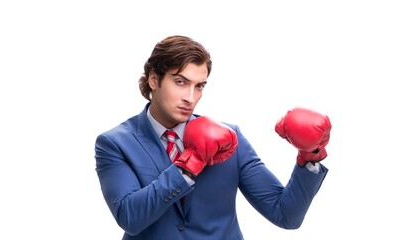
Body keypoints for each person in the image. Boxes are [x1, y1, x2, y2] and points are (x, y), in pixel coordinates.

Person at [94, 35, 332, 240]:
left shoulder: (231, 138)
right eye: (180, 82)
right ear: (154, 80)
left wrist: (309, 156)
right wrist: (189, 164)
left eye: (199, 86)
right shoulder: (114, 144)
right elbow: (130, 217)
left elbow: (285, 215)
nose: (190, 96)